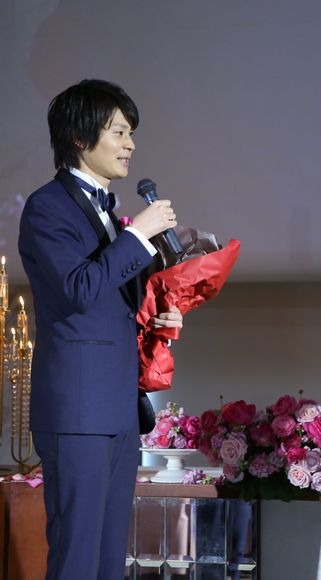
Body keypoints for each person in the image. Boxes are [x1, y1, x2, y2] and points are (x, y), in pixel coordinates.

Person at [18, 79, 183, 580]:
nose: (130, 144)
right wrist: (138, 234)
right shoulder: (47, 207)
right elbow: (78, 287)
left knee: (110, 557)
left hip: (117, 408)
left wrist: (158, 314)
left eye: (131, 132)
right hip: (78, 410)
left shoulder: (107, 211)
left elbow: (113, 299)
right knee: (77, 555)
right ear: (79, 137)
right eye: (118, 132)